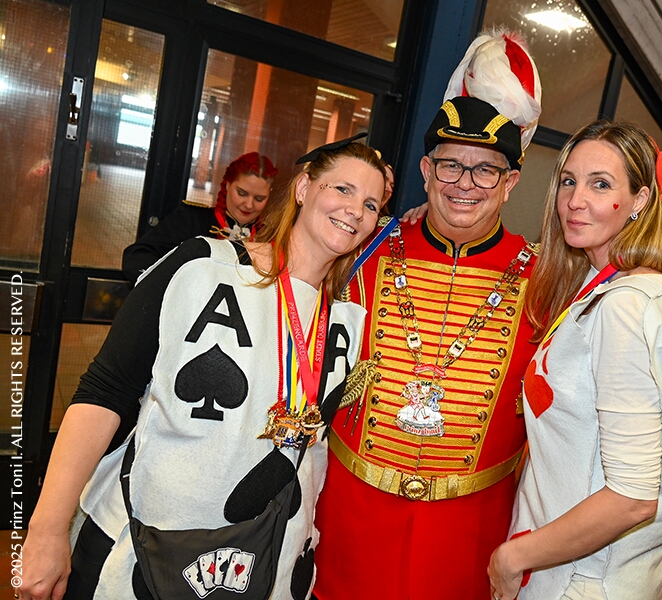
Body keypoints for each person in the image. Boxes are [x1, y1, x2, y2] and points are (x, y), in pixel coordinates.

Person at [18, 138, 388, 600]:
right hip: (141, 549)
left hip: (266, 562)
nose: (355, 210)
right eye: (343, 189)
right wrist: (46, 529)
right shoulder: (202, 266)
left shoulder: (348, 322)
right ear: (303, 188)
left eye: (371, 204)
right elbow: (104, 393)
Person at [312, 31, 544, 600]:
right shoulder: (359, 247)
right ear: (424, 169)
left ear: (510, 182)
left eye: (485, 170)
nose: (464, 185)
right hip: (348, 523)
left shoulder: (548, 281)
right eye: (449, 166)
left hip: (469, 539)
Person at [487, 121, 662, 600]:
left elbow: (632, 498)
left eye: (600, 184)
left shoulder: (622, 304)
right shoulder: (651, 281)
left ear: (640, 200)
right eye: (568, 181)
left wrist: (513, 558)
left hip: (581, 576)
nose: (575, 200)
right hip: (593, 563)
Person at [122, 151, 277, 284]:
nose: (249, 205)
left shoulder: (271, 237)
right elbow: (136, 257)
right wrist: (180, 285)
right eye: (242, 193)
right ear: (227, 184)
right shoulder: (191, 220)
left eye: (259, 199)